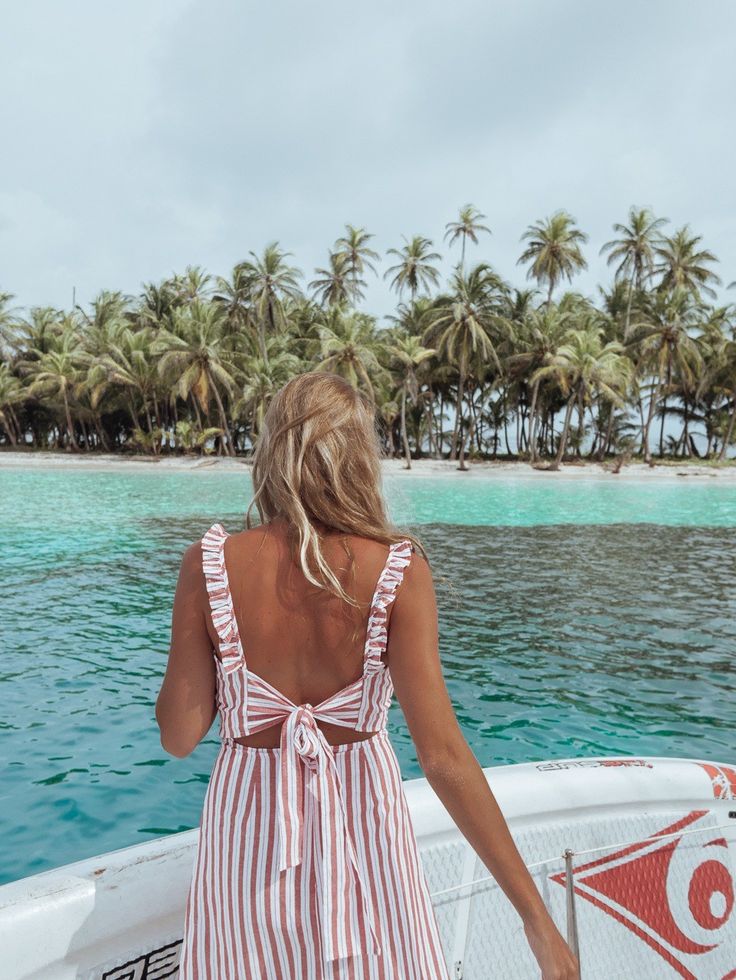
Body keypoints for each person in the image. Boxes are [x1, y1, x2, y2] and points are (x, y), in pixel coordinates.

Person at [156, 371, 579, 980]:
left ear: (273, 451)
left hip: (246, 849)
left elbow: (178, 736)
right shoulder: (397, 570)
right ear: (359, 459)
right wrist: (536, 920)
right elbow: (443, 758)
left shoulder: (209, 564)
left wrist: (210, 639)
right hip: (365, 841)